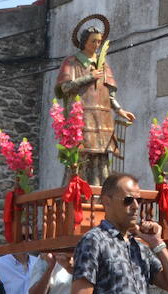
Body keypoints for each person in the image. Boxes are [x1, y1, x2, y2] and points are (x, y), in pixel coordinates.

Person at [55, 15, 136, 185]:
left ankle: (102, 193)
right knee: (81, 158)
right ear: (84, 42)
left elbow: (110, 94)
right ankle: (78, 191)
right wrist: (88, 77)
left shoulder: (103, 65)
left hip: (102, 119)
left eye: (99, 41)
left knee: (101, 159)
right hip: (81, 118)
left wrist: (120, 110)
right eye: (93, 41)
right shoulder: (72, 62)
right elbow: (65, 88)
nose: (97, 45)